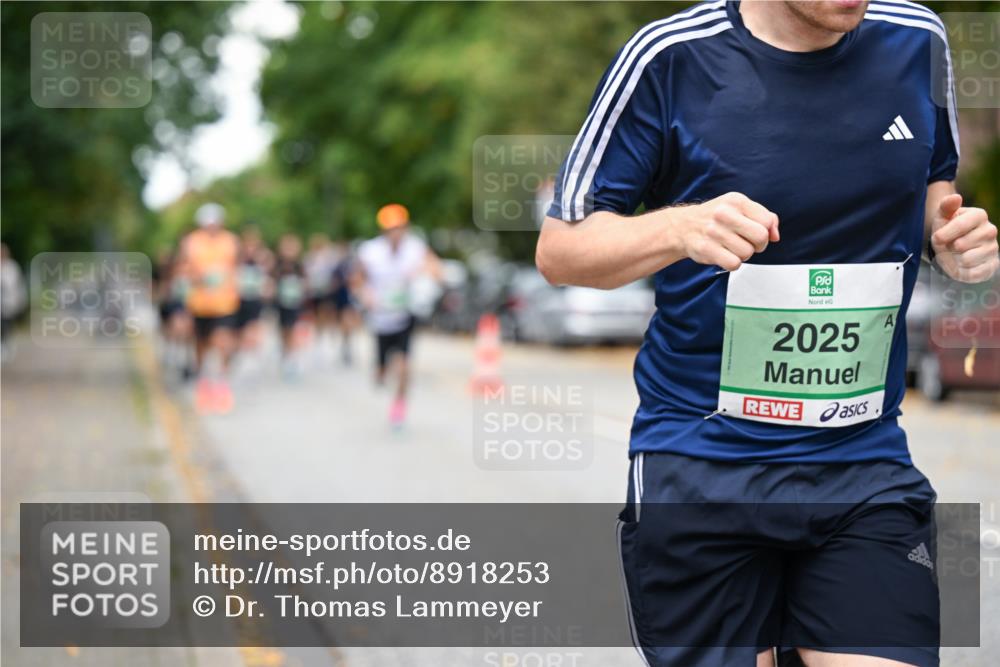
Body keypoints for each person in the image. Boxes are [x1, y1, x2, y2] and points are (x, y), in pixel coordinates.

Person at [535, 2, 998, 667]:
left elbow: (931, 184)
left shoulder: (917, 38)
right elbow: (560, 250)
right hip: (704, 466)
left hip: (862, 461)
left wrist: (948, 236)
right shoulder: (668, 56)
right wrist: (678, 228)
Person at [355, 204, 442, 428]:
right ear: (383, 230)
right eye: (391, 228)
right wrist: (365, 294)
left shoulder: (415, 248)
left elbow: (435, 268)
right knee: (382, 370)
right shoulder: (370, 251)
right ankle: (380, 372)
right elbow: (357, 278)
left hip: (405, 315)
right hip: (381, 317)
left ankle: (399, 408)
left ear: (406, 227)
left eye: (399, 227)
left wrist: (427, 273)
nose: (395, 232)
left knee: (404, 366)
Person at [178, 203, 241, 414]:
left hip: (225, 303)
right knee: (201, 346)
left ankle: (222, 386)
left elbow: (237, 267)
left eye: (215, 223)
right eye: (208, 223)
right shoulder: (192, 242)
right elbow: (184, 270)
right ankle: (204, 383)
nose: (212, 227)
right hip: (199, 304)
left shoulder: (231, 241)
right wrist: (199, 278)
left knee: (223, 342)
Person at [273, 233, 308, 379]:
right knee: (283, 329)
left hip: (295, 303)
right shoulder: (278, 265)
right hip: (281, 303)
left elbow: (306, 282)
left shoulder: (299, 266)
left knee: (294, 329)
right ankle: (285, 353)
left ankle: (292, 357)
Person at [0, 244, 27, 362]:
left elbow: (18, 285)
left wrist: (21, 301)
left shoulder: (12, 267)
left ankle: (6, 346)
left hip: (8, 303)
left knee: (6, 325)